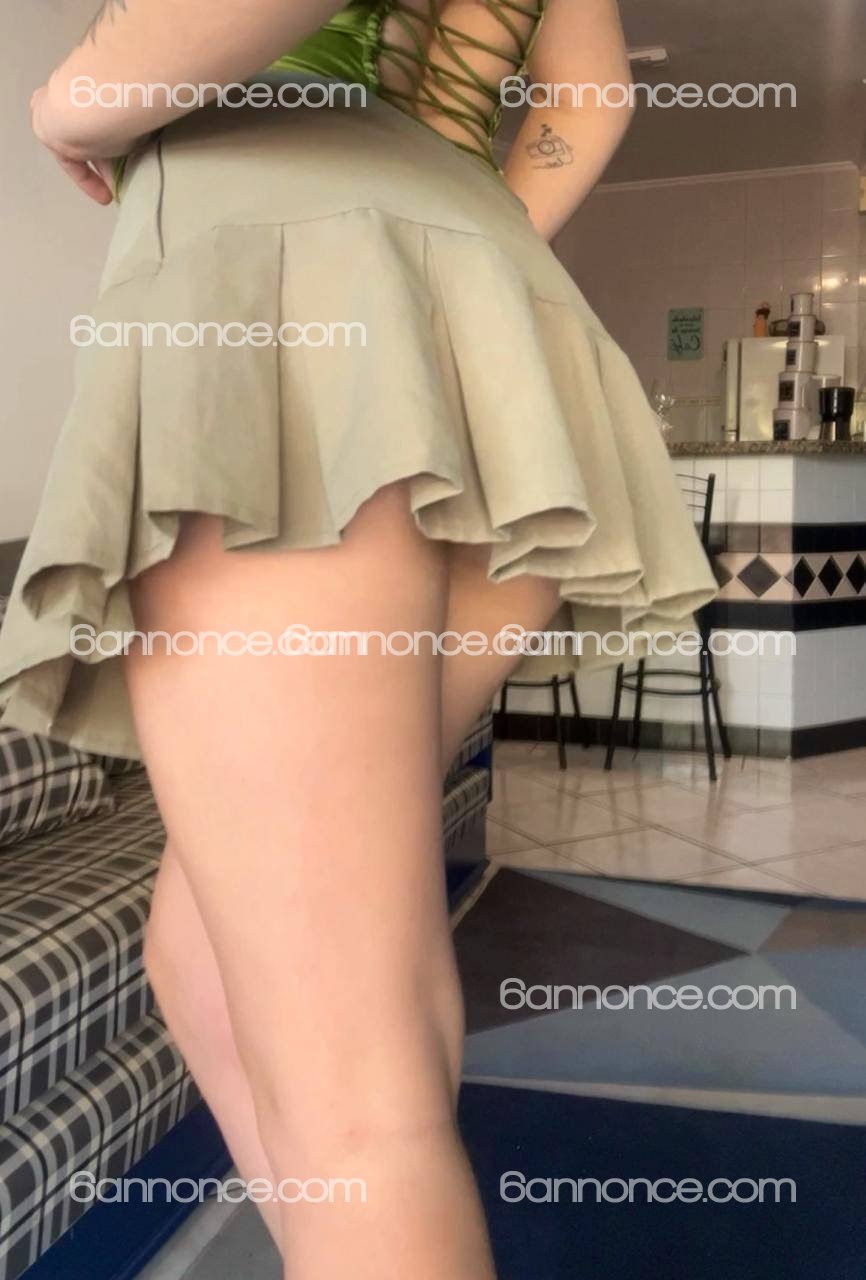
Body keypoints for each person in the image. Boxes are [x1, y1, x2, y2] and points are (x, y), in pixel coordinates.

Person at [0, 1, 716, 1275]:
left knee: (351, 1091)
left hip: (288, 322)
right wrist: (440, 262)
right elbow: (587, 92)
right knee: (206, 965)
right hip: (479, 337)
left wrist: (72, 101)